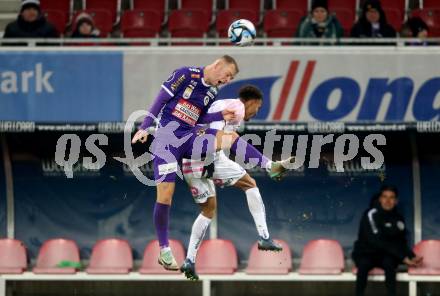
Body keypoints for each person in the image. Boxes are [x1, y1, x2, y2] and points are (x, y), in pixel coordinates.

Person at [131, 56, 293, 271]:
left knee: (230, 137)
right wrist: (145, 126)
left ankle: (269, 165)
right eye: (227, 75)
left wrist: (220, 115)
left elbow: (199, 119)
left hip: (189, 138)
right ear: (217, 65)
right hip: (167, 141)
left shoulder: (211, 93)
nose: (227, 80)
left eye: (231, 78)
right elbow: (161, 98)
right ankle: (164, 249)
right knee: (165, 196)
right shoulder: (185, 74)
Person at [180, 85, 283, 280]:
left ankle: (189, 261)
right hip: (206, 157)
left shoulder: (222, 105)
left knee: (208, 211)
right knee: (250, 184)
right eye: (258, 108)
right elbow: (215, 136)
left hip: (188, 161)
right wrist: (209, 161)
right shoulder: (237, 107)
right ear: (251, 102)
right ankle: (265, 237)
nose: (256, 112)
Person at [352, 185, 423, 296]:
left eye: (391, 197)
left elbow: (400, 242)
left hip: (385, 255)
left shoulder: (398, 219)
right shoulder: (370, 214)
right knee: (364, 264)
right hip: (366, 252)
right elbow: (376, 240)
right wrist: (403, 257)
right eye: (385, 197)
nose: (388, 201)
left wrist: (411, 256)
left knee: (389, 263)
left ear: (396, 201)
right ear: (380, 199)